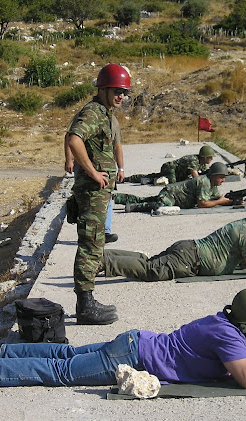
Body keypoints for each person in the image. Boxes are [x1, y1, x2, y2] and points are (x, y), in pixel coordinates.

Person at [0, 288, 246, 408]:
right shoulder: (230, 337)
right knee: (62, 370)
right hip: (133, 357)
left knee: (67, 354)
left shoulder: (226, 323)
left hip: (134, 342)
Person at [65, 63, 131, 326]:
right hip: (92, 192)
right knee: (90, 245)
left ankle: (88, 300)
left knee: (94, 245)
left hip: (98, 194)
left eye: (124, 93)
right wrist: (92, 172)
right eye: (117, 91)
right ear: (103, 89)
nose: (121, 97)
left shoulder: (105, 114)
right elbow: (73, 139)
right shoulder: (93, 112)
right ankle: (85, 306)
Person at [103, 199, 246, 281]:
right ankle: (102, 261)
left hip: (188, 250)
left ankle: (105, 255)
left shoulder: (243, 226)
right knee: (149, 270)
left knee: (149, 262)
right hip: (190, 260)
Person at [65, 115, 124, 244]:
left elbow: (117, 145)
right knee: (85, 201)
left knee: (107, 199)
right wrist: (69, 160)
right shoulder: (87, 115)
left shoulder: (113, 120)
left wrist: (121, 168)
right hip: (84, 169)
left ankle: (105, 232)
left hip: (107, 169)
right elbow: (70, 138)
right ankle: (85, 234)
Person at [114, 162, 238, 213]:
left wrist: (232, 201)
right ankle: (134, 207)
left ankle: (116, 198)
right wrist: (220, 201)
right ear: (214, 175)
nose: (223, 180)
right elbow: (203, 204)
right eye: (222, 177)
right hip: (170, 194)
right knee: (161, 207)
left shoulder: (212, 184)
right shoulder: (204, 182)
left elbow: (216, 198)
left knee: (144, 199)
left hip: (172, 196)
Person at [125, 145, 214, 185]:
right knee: (173, 185)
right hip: (169, 168)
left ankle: (134, 178)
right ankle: (147, 180)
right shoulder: (194, 160)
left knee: (155, 176)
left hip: (177, 173)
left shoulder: (202, 164)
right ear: (204, 157)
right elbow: (196, 178)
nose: (211, 159)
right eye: (210, 157)